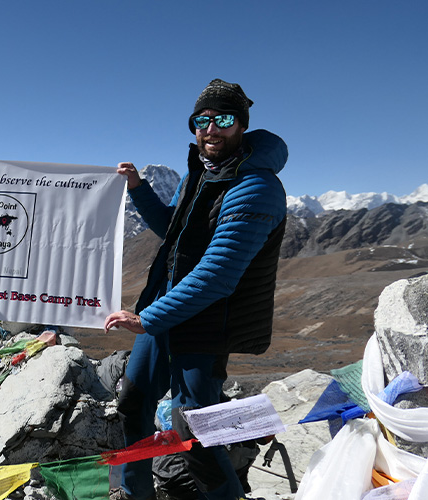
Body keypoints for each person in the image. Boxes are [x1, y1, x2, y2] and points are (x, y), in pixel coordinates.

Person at [104, 79, 288, 500]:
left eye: (223, 119)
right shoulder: (203, 175)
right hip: (165, 312)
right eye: (201, 120)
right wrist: (138, 187)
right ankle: (134, 494)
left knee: (195, 430)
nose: (211, 129)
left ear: (241, 125)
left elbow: (218, 275)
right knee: (133, 403)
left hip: (205, 322)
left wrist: (147, 317)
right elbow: (175, 230)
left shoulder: (255, 186)